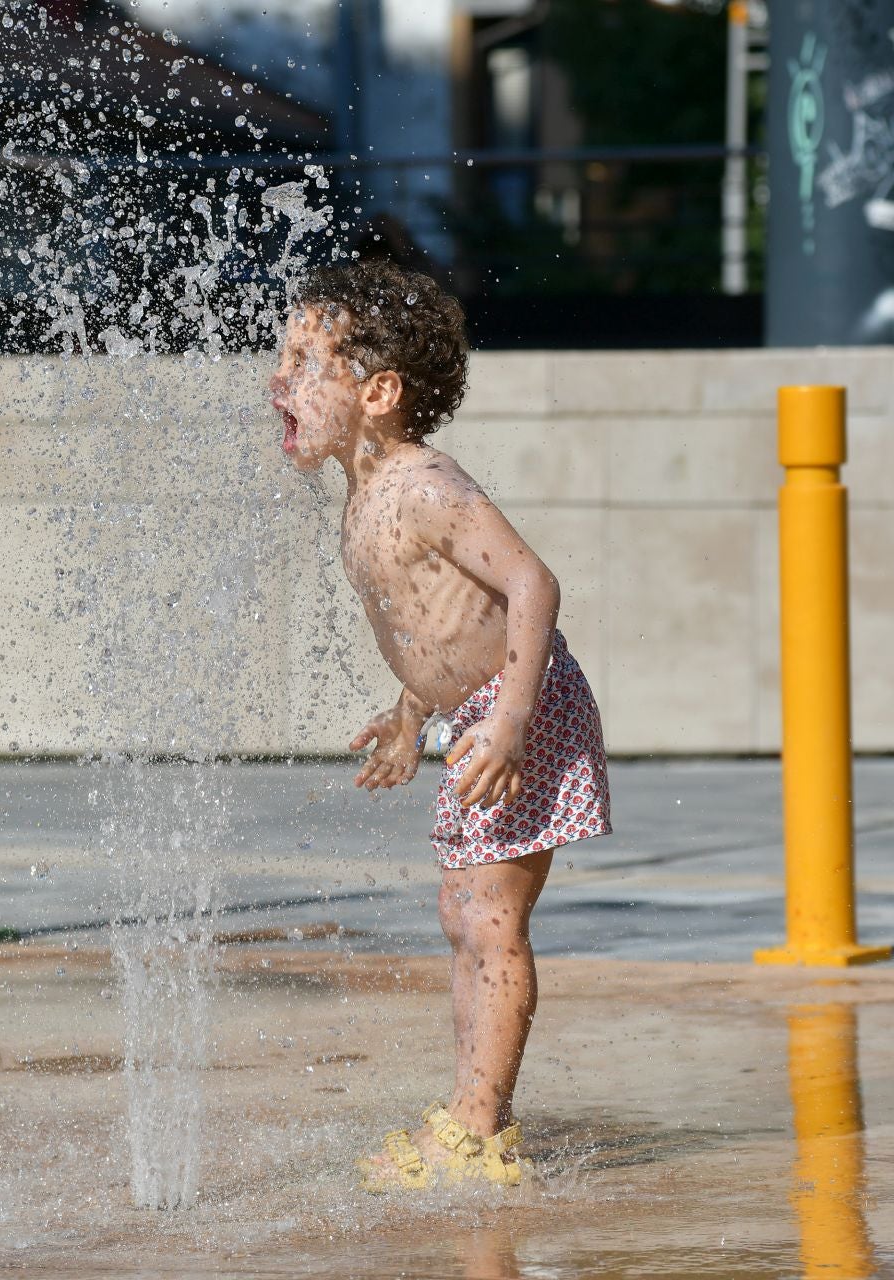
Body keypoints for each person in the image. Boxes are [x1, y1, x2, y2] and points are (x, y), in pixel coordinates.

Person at [268, 259, 612, 1192]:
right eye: (283, 358)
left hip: (519, 713)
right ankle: (471, 1111)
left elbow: (531, 583)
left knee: (491, 920)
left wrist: (510, 720)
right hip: (476, 713)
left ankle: (479, 1129)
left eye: (304, 364)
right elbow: (434, 622)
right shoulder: (360, 498)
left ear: (377, 393)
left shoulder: (421, 486)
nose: (278, 380)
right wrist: (411, 711)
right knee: (463, 917)